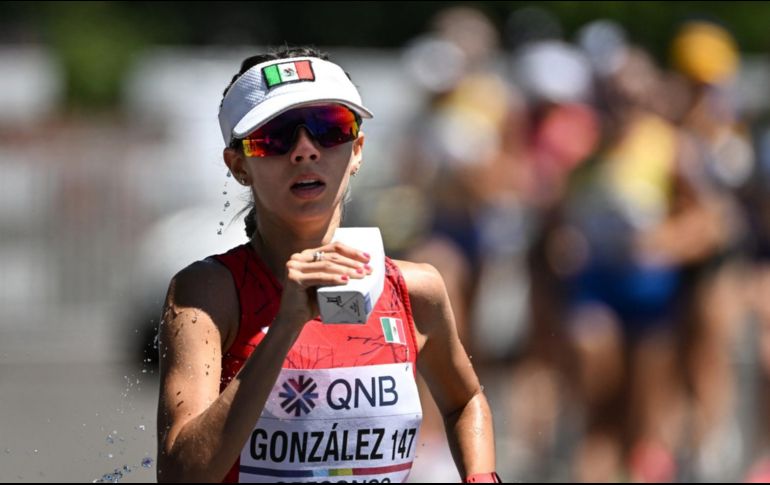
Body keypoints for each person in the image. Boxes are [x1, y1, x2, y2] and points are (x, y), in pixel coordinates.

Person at [154, 46, 500, 483]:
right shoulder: (206, 294)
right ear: (238, 165)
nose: (305, 150)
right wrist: (285, 326)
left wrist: (481, 477)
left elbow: (464, 401)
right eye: (275, 135)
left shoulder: (415, 290)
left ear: (357, 150)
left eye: (329, 128)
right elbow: (181, 474)